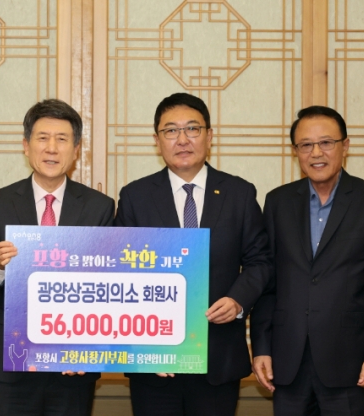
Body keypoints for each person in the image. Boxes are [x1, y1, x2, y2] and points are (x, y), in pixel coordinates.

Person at [114, 92, 272, 416]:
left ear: (209, 136)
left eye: (192, 129)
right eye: (171, 130)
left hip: (218, 356)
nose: (182, 139)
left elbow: (260, 261)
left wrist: (238, 300)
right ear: (157, 140)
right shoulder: (135, 197)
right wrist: (140, 346)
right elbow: (120, 272)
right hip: (154, 359)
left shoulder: (239, 194)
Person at [250, 106, 364, 416]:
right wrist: (261, 347)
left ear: (345, 146)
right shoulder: (277, 202)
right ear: (296, 151)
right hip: (288, 362)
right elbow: (268, 284)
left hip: (352, 364)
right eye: (306, 144)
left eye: (326, 142)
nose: (316, 153)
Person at [0, 99, 115, 416]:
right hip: (11, 358)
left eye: (62, 139)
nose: (51, 148)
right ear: (26, 146)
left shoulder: (99, 207)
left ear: (76, 149)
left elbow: (106, 285)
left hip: (73, 361)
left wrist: (88, 347)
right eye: (42, 138)